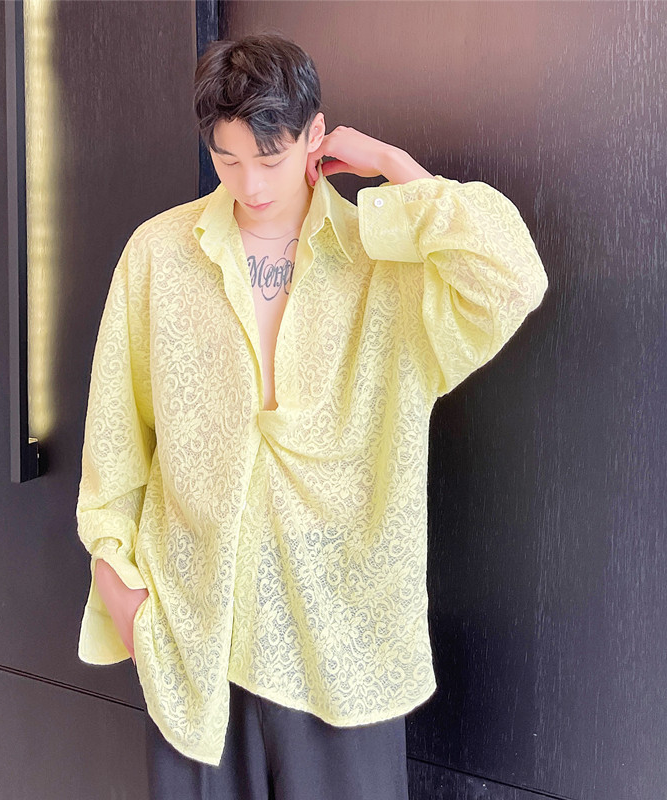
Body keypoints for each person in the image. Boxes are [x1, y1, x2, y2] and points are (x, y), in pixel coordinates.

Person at [74, 31, 548, 800]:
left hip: (342, 642)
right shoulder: (158, 254)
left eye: (270, 157)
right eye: (227, 159)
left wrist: (392, 166)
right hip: (195, 640)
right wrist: (120, 584)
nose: (251, 183)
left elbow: (511, 278)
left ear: (315, 134)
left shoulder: (383, 256)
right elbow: (115, 435)